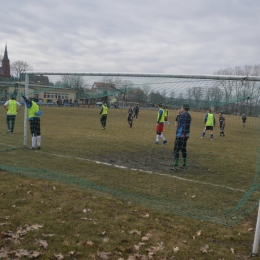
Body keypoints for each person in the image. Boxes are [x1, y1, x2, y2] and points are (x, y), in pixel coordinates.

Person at [170, 104, 191, 170]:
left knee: (177, 149)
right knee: (183, 149)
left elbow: (184, 125)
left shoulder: (184, 115)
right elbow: (181, 122)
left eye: (181, 108)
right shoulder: (187, 115)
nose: (181, 109)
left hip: (181, 135)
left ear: (184, 108)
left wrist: (182, 133)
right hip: (185, 135)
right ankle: (184, 164)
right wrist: (178, 114)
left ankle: (175, 165)